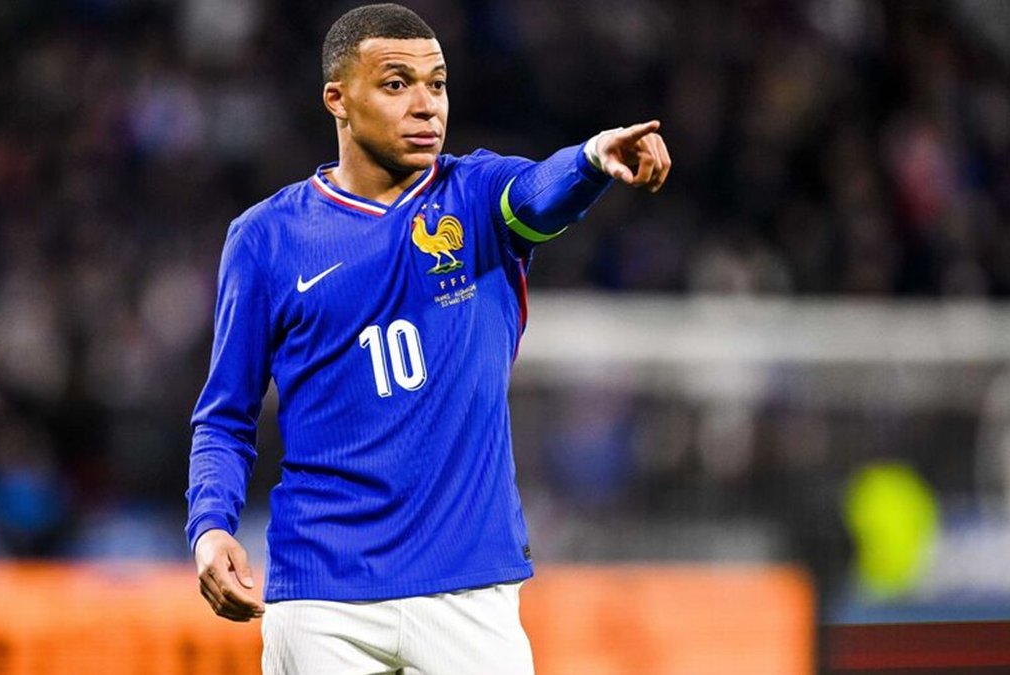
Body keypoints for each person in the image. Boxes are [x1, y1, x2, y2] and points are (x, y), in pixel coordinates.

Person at [186, 3, 670, 673]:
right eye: (396, 84)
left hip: (468, 590)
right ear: (338, 100)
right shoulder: (266, 237)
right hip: (322, 597)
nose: (426, 105)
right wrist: (211, 526)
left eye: (437, 84)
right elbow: (225, 416)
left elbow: (539, 192)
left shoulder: (476, 197)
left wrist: (591, 160)